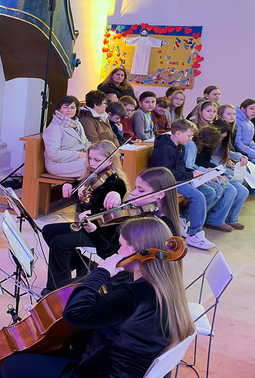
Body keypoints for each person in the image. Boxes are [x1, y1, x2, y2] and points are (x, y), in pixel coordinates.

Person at [0, 218, 194, 378]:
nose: (117, 253)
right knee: (65, 347)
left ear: (138, 251)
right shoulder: (164, 287)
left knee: (15, 368)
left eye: (122, 247)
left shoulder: (134, 295)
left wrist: (102, 271)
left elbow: (75, 314)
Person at [41, 141, 128, 293]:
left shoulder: (115, 183)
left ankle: (57, 289)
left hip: (100, 232)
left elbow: (118, 191)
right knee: (48, 230)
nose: (92, 163)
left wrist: (115, 195)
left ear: (109, 161)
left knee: (59, 243)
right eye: (90, 158)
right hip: (86, 226)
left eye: (97, 160)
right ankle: (84, 264)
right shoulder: (92, 177)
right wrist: (67, 184)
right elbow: (75, 184)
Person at [149, 119, 222, 250]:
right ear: (178, 133)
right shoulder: (164, 148)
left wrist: (195, 173)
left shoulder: (179, 146)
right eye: (189, 135)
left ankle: (183, 219)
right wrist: (190, 175)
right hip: (165, 181)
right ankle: (194, 234)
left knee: (210, 192)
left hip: (177, 179)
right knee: (198, 197)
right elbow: (165, 172)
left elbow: (180, 168)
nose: (191, 138)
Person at [185, 126, 243, 233]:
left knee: (228, 187)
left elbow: (200, 164)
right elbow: (189, 165)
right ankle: (190, 219)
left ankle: (201, 219)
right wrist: (206, 171)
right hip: (192, 175)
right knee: (216, 189)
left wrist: (211, 171)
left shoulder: (201, 146)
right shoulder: (192, 145)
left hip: (203, 172)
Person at [43, 96, 90, 178]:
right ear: (59, 109)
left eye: (72, 107)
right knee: (94, 164)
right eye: (66, 107)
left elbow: (85, 142)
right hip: (58, 164)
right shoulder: (53, 128)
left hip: (77, 159)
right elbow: (53, 154)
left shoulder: (77, 123)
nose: (69, 110)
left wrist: (94, 152)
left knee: (101, 160)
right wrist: (78, 155)